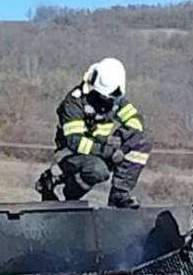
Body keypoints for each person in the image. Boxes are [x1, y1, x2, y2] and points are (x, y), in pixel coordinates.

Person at [35, 57, 150, 207]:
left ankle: (119, 194)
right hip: (71, 153)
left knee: (142, 141)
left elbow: (136, 121)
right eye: (102, 97)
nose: (105, 102)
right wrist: (109, 152)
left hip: (100, 149)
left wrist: (122, 141)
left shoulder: (115, 99)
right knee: (98, 170)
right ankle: (68, 192)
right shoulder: (74, 102)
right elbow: (75, 141)